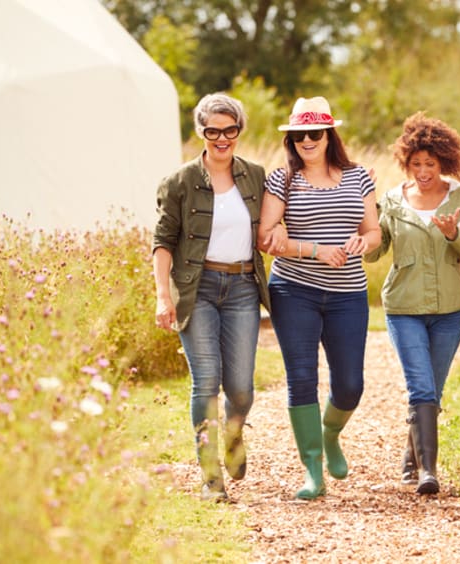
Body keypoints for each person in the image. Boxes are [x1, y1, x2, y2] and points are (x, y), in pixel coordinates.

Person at [152, 92, 279, 501]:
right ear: (201, 131)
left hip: (243, 287)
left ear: (239, 130)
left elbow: (276, 223)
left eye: (230, 130)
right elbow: (162, 241)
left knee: (241, 389)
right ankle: (210, 478)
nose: (222, 138)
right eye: (213, 131)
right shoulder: (180, 182)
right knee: (205, 382)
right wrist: (162, 296)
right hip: (197, 289)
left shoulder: (256, 176)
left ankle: (233, 432)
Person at [257, 96, 381, 500]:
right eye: (299, 134)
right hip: (294, 292)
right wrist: (314, 250)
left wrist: (363, 241)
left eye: (315, 132)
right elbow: (266, 237)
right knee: (302, 379)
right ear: (291, 139)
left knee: (350, 385)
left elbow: (374, 232)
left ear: (330, 135)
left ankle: (330, 435)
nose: (307, 140)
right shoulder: (281, 181)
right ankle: (313, 471)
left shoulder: (359, 177)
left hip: (348, 294)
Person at [364, 112, 460, 494]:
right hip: (404, 309)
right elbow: (374, 254)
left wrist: (454, 235)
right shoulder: (391, 200)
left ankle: (411, 456)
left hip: (451, 311)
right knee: (420, 388)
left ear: (444, 162)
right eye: (416, 163)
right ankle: (428, 472)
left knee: (432, 389)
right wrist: (364, 207)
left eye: (430, 164)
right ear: (406, 162)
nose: (423, 171)